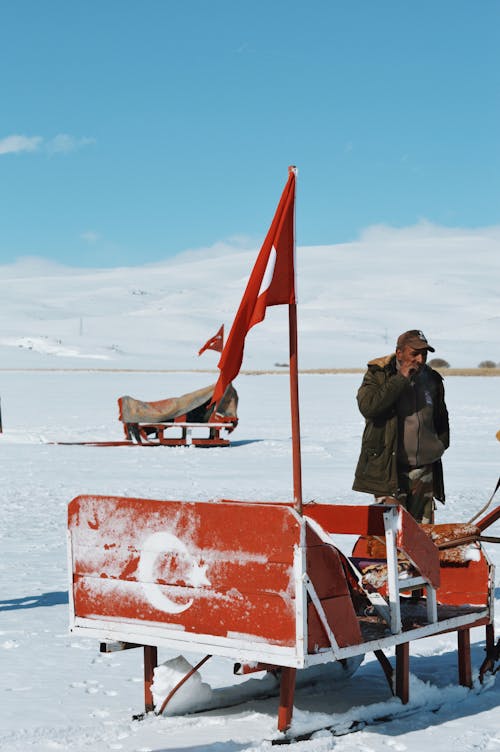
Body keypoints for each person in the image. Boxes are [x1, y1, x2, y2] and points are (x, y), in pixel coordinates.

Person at [353, 330, 449, 523]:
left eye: (424, 354)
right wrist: (400, 379)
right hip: (389, 470)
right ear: (399, 353)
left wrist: (439, 446)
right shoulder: (378, 374)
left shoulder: (432, 379)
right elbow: (369, 407)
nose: (420, 359)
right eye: (414, 354)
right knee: (390, 534)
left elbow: (441, 418)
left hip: (424, 471)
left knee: (422, 535)